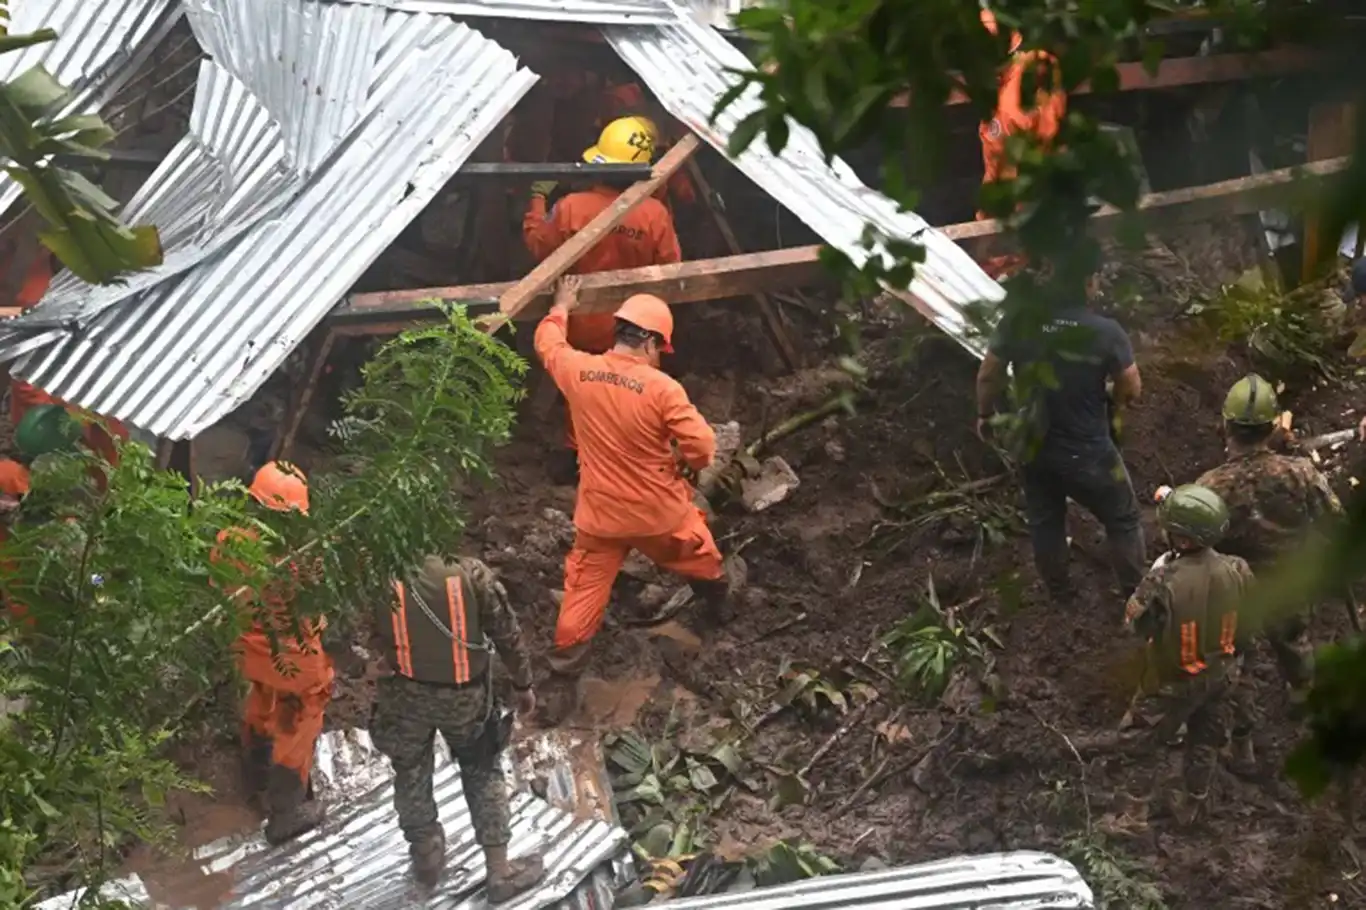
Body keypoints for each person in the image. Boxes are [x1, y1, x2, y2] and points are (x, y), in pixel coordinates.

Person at [533, 291, 738, 722]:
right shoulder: (662, 389)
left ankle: (559, 687)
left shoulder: (580, 370)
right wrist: (685, 463)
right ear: (650, 343)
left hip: (600, 519)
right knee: (698, 553)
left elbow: (547, 345)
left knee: (582, 596)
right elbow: (702, 447)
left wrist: (561, 307)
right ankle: (718, 604)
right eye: (661, 349)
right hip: (658, 515)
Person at [369, 554, 546, 896]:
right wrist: (523, 684)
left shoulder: (378, 571)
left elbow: (333, 628)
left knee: (410, 770)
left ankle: (425, 852)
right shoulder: (472, 575)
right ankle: (499, 871)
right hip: (464, 698)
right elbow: (508, 635)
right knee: (482, 771)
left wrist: (359, 667)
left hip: (402, 696)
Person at [523, 117, 684, 485]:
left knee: (583, 389)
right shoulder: (656, 215)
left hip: (582, 324)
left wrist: (536, 199)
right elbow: (671, 267)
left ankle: (580, 454)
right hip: (636, 327)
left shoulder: (569, 207)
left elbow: (539, 248)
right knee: (636, 390)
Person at [976, 295, 1145, 602]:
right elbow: (1132, 388)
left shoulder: (1018, 321)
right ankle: (1136, 598)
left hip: (1034, 447)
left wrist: (986, 415)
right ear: (1087, 283)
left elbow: (989, 374)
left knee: (1046, 518)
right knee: (1123, 519)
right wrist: (1111, 396)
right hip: (1090, 452)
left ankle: (1059, 593)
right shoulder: (1106, 332)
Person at [1198, 374, 1342, 691]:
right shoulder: (1301, 473)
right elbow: (1334, 522)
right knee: (1293, 641)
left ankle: (1238, 719)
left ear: (1226, 426)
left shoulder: (1208, 486)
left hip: (1234, 588)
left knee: (1230, 653)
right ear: (1273, 427)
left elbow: (1191, 545)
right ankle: (1303, 694)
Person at [214, 461, 331, 845]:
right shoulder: (303, 560)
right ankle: (286, 809)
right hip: (294, 659)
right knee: (300, 719)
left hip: (245, 649)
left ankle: (254, 769)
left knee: (260, 700)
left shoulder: (228, 541)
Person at [1124, 484, 1254, 820]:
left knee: (1141, 743)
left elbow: (1135, 625)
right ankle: (1194, 804)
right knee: (1206, 740)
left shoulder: (1162, 580)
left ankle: (1134, 817)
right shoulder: (1237, 568)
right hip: (1221, 674)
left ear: (1181, 539)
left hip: (1173, 681)